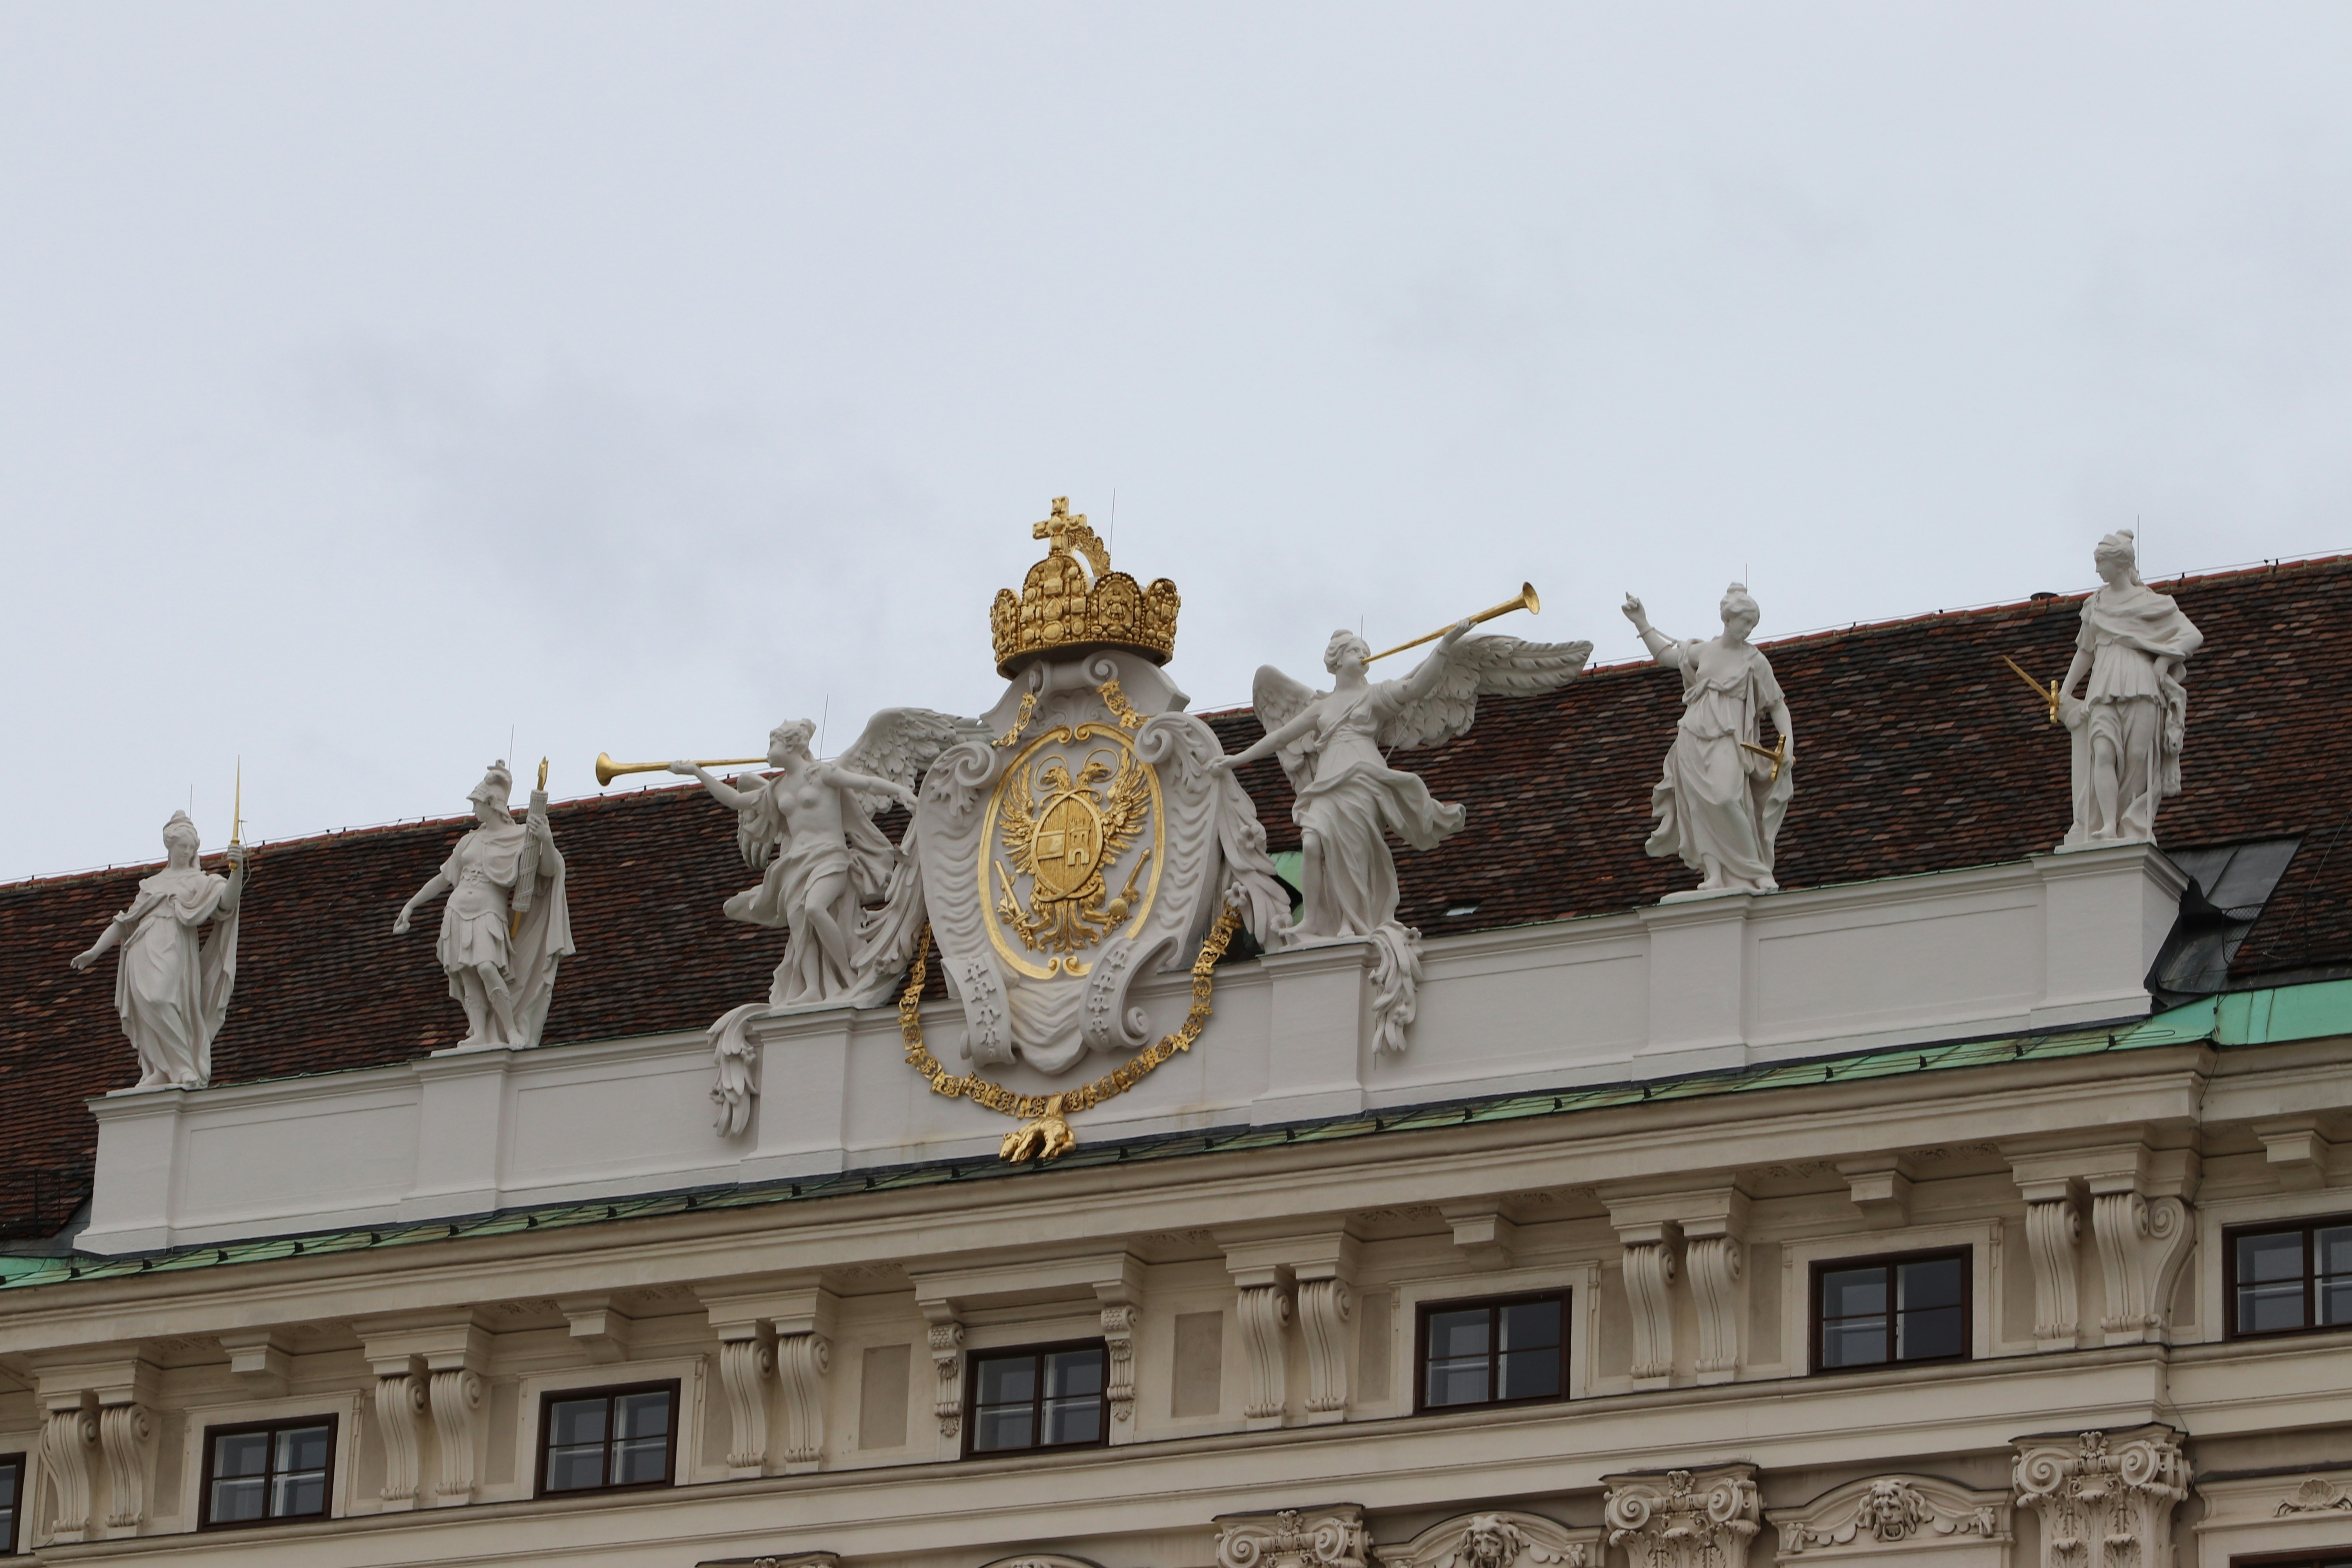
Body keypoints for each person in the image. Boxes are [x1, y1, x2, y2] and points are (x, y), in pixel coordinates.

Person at [1212, 622, 1477, 939]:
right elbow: (1281, 737)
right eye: (1356, 651)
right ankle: (1312, 920)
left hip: (1362, 777)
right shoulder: (1321, 707)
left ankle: (1351, 923)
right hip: (1327, 779)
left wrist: (1445, 644)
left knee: (1354, 853)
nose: (1364, 656)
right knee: (1312, 844)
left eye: (1365, 653)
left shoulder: (1375, 694)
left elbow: (1416, 688)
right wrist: (1236, 759)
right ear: (1337, 661)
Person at [674, 719, 920, 1006]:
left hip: (830, 856)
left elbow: (866, 783)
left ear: (790, 746)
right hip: (794, 864)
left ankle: (848, 977)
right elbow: (735, 801)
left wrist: (901, 792)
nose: (768, 751)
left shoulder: (822, 774)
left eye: (773, 745)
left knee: (815, 907)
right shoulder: (777, 789)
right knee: (800, 924)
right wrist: (696, 772)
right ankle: (813, 989)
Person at [1622, 583, 1796, 896]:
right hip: (1692, 735)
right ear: (1729, 620)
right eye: (1745, 623)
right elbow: (1664, 656)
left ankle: (1755, 871)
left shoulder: (1755, 661)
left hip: (1728, 739)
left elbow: (1778, 706)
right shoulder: (1704, 651)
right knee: (1700, 806)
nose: (1748, 630)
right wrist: (1641, 621)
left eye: (1752, 626)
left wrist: (1788, 746)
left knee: (1727, 798)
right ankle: (1714, 872)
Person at [392, 761, 573, 1048]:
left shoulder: (520, 836)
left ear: (492, 803)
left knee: (488, 968)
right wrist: (411, 906)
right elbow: (444, 879)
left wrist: (546, 841)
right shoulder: (469, 841)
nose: (474, 810)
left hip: (489, 912)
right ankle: (478, 1032)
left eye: (477, 804)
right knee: (469, 977)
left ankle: (511, 1030)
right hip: (456, 913)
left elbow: (549, 871)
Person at [71, 811, 244, 1089]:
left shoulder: (199, 881)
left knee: (161, 999)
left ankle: (185, 1067)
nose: (187, 852)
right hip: (141, 947)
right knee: (146, 1007)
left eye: (191, 848)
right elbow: (124, 923)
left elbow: (227, 902)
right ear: (170, 846)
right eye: (182, 847)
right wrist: (94, 951)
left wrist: (238, 870)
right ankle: (161, 1068)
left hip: (173, 944)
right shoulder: (151, 885)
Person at [2056, 529, 2203, 847]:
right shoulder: (2094, 605)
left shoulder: (2152, 603)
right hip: (2104, 682)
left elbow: (2192, 636)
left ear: (2120, 564)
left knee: (2138, 758)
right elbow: (2086, 650)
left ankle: (2132, 825)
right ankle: (2108, 825)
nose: (2097, 571)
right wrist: (2066, 692)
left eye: (2101, 564)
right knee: (2104, 753)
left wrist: (2163, 662)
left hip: (2141, 683)